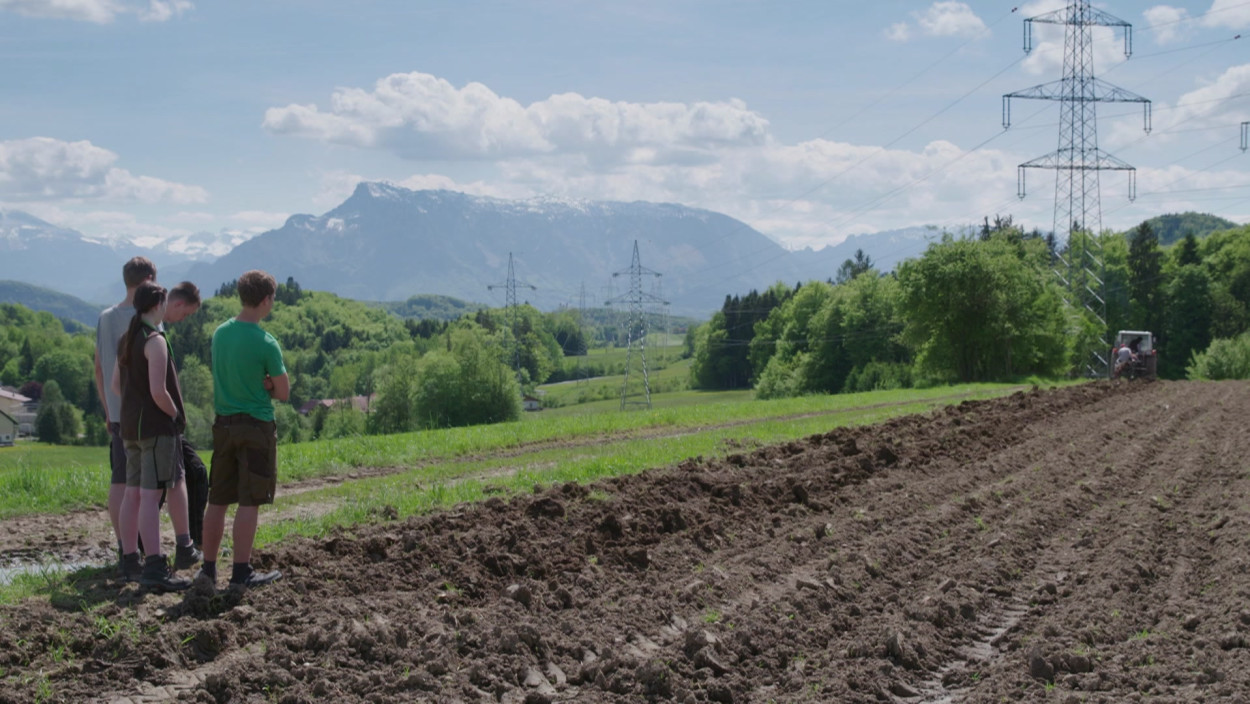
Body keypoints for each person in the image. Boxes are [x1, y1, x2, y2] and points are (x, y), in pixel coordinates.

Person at [199, 270, 288, 589]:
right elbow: (283, 392)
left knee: (218, 499)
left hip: (223, 425)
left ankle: (207, 570)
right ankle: (240, 572)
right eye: (273, 299)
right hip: (256, 427)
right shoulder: (267, 343)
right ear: (265, 300)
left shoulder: (220, 333)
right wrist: (266, 385)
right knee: (249, 500)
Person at [111, 282, 196, 590]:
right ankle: (156, 567)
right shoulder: (155, 340)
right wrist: (174, 414)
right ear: (158, 305)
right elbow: (159, 392)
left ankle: (130, 560)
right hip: (156, 430)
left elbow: (116, 387)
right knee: (151, 496)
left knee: (131, 494)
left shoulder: (127, 338)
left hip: (130, 429)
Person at [94, 257, 157, 577]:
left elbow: (100, 368)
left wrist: (108, 410)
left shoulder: (105, 317)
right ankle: (136, 551)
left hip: (117, 413)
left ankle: (124, 545)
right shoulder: (147, 315)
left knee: (119, 480)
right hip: (144, 413)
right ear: (148, 279)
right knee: (144, 485)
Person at [164, 282, 209, 548]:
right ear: (178, 304)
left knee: (195, 472)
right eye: (186, 314)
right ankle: (141, 550)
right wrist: (174, 413)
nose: (185, 320)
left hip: (168, 424)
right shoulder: (152, 331)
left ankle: (195, 543)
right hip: (160, 423)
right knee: (161, 485)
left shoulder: (157, 328)